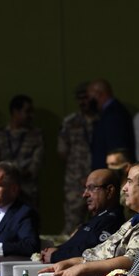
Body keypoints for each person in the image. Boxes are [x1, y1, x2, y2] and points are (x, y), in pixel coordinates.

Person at [59, 83, 98, 234]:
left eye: (86, 98)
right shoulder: (70, 122)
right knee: (72, 222)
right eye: (80, 99)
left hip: (98, 178)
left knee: (97, 219)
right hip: (75, 181)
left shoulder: (101, 120)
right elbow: (62, 152)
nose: (83, 102)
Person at [0, 95, 44, 208]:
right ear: (15, 112)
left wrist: (16, 175)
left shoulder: (35, 135)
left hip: (28, 189)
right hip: (3, 189)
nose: (31, 115)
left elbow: (35, 165)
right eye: (27, 111)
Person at [88, 79, 135, 170]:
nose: (88, 101)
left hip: (110, 172)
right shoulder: (108, 113)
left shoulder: (114, 114)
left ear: (99, 94)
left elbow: (116, 149)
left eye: (90, 96)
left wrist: (110, 173)